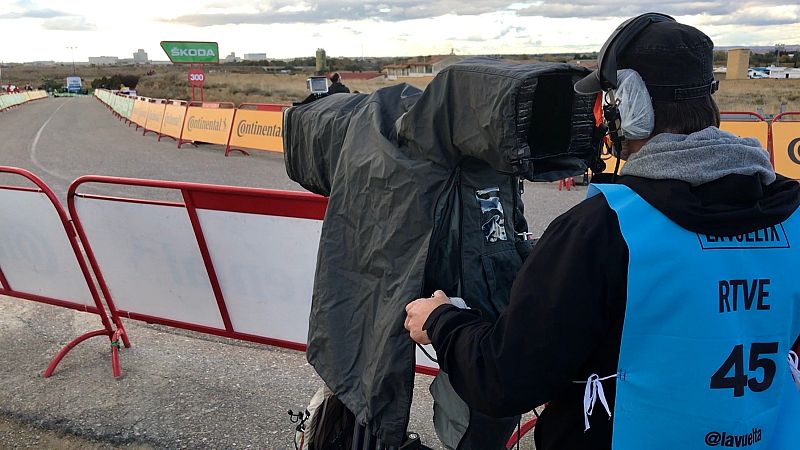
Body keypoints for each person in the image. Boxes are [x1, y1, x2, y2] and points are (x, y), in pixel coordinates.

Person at [405, 13, 800, 450]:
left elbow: (505, 381)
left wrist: (442, 322)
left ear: (628, 108)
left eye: (605, 103)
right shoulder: (794, 214)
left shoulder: (602, 231)